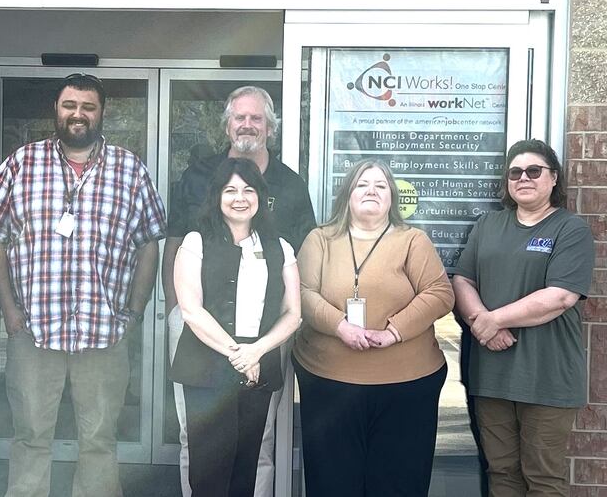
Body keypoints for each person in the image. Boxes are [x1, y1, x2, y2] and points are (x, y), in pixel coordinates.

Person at [0, 73, 166, 497]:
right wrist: (9, 310)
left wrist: (133, 313)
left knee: (99, 442)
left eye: (88, 106)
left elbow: (150, 243)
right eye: (69, 105)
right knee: (29, 437)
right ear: (56, 110)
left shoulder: (129, 169)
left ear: (102, 113)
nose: (78, 114)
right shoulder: (22, 164)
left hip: (103, 334)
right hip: (34, 334)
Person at [163, 85, 315, 497]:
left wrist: (260, 347)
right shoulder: (198, 178)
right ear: (227, 125)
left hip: (265, 336)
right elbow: (175, 241)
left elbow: (304, 260)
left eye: (257, 118)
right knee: (196, 440)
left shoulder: (291, 186)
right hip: (199, 328)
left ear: (270, 127)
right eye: (239, 117)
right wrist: (178, 310)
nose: (247, 125)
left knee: (258, 441)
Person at [294, 158, 454, 497]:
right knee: (333, 483)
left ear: (392, 197)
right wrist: (340, 326)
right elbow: (302, 294)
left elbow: (440, 293)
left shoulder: (413, 240)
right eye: (362, 184)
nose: (371, 191)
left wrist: (392, 331)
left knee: (397, 483)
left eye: (380, 186)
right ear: (347, 195)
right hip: (329, 386)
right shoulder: (320, 240)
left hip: (406, 388)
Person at [451, 139, 594, 497]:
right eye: (515, 172)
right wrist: (480, 321)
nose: (524, 178)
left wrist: (491, 320)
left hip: (547, 377)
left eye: (534, 171)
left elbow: (560, 296)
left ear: (553, 178)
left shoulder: (569, 229)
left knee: (544, 479)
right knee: (501, 473)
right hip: (493, 374)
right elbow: (462, 280)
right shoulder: (488, 225)